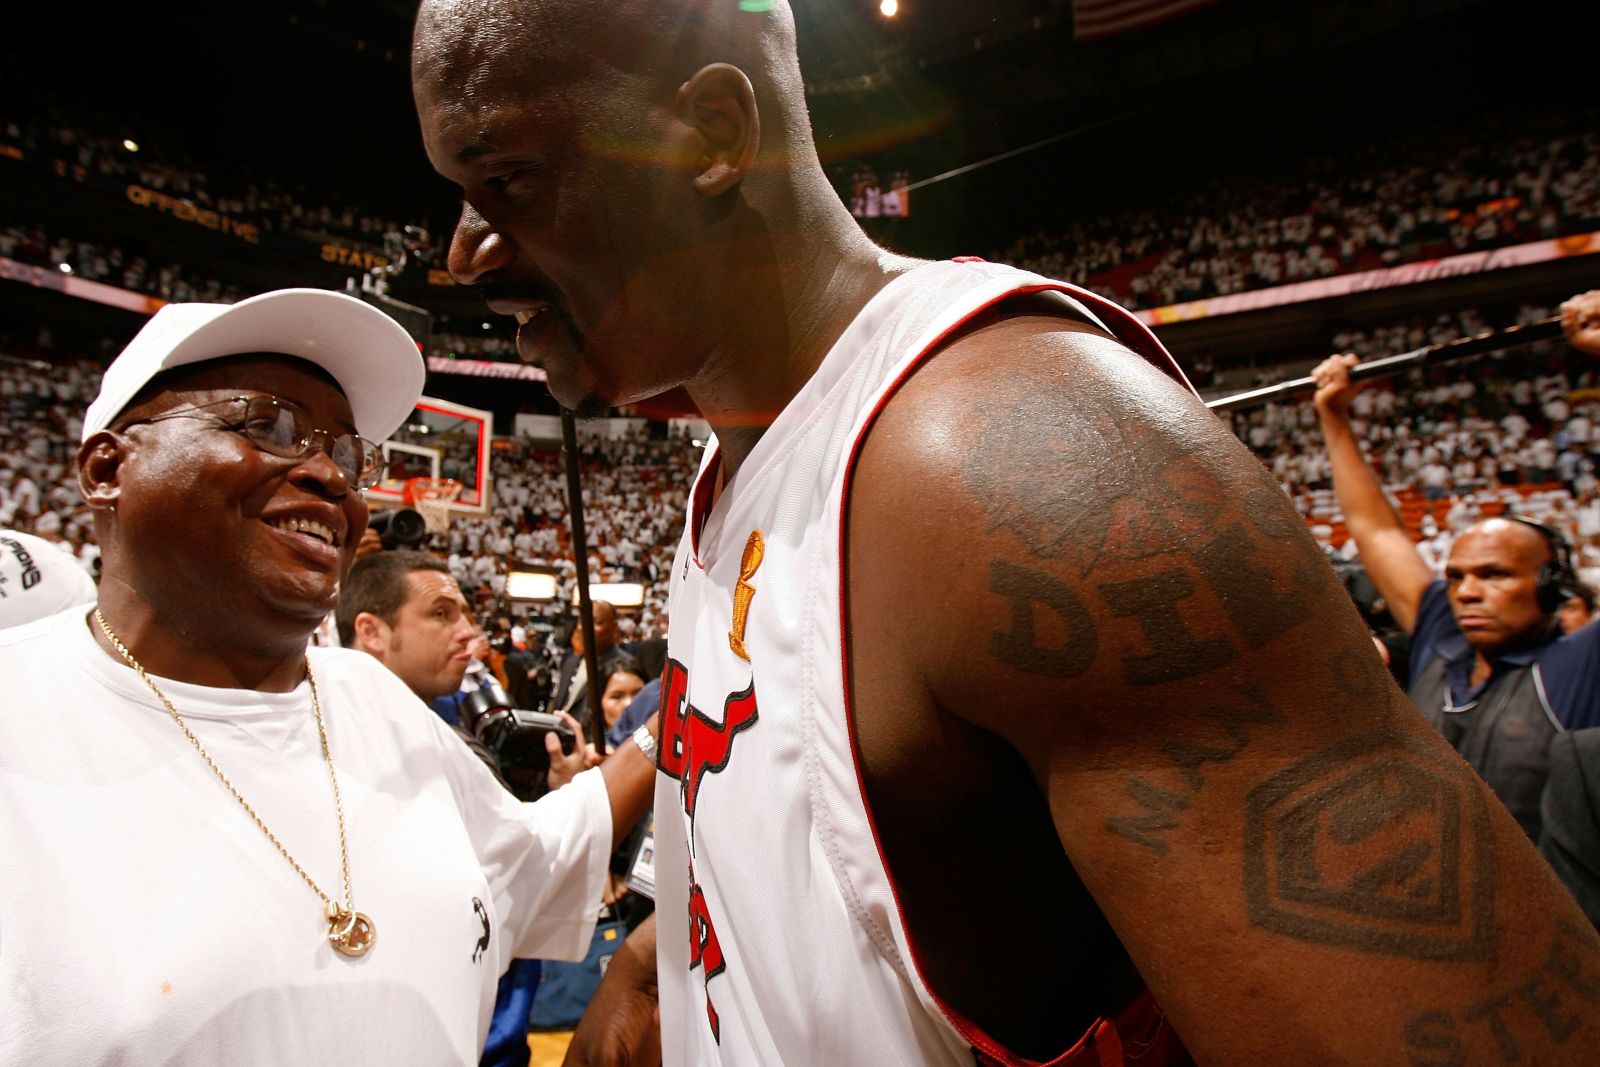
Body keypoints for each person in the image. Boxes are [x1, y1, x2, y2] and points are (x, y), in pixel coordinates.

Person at [413, 6, 1600, 1062]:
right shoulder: (738, 461)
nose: (464, 252)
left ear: (713, 135)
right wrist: (663, 952)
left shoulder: (1012, 459)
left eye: (505, 177)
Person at [0, 288, 659, 1065]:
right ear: (108, 467)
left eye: (347, 454)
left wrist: (691, 691)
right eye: (270, 426)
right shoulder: (22, 709)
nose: (330, 476)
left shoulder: (369, 696)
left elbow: (538, 855)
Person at [1310, 351, 1600, 842]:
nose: (1467, 592)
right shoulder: (1441, 640)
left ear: (1550, 584)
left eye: (1494, 575)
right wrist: (1332, 414)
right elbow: (1376, 530)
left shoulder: (1579, 665)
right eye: (1457, 577)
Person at [337, 548, 591, 1067]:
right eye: (441, 614)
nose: (467, 633)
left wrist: (556, 790)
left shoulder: (435, 730)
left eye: (465, 615)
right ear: (371, 632)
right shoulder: (343, 750)